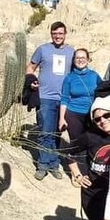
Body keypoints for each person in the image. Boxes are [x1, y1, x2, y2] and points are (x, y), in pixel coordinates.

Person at [26, 21, 74, 180]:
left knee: (56, 134)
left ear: (65, 34)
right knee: (44, 131)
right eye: (55, 33)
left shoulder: (71, 52)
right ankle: (43, 165)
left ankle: (53, 164)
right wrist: (31, 80)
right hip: (45, 97)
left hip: (64, 99)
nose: (58, 36)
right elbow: (30, 67)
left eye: (61, 33)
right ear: (51, 34)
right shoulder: (43, 49)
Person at [59, 48, 102, 173]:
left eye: (83, 57)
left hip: (91, 114)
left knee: (92, 141)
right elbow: (64, 99)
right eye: (77, 58)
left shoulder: (94, 76)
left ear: (88, 60)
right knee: (76, 143)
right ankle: (76, 173)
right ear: (73, 60)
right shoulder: (69, 78)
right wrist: (62, 118)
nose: (80, 60)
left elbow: (103, 90)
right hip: (73, 113)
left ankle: (89, 170)